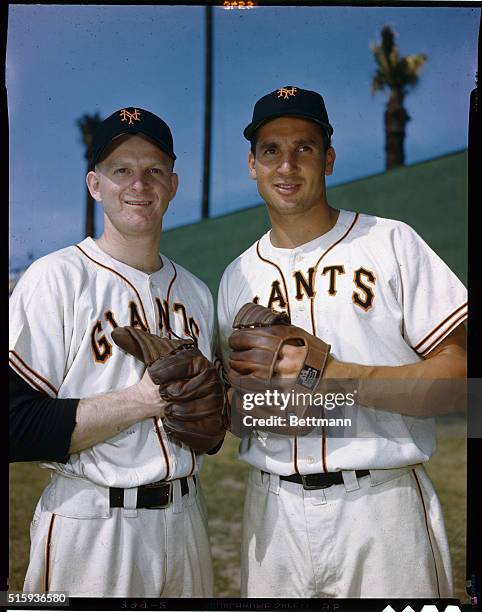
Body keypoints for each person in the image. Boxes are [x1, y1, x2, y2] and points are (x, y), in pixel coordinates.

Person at [217, 86, 467, 598]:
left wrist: (332, 379)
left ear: (328, 159)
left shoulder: (390, 242)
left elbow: (463, 381)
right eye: (271, 150)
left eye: (304, 148)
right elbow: (244, 410)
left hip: (381, 508)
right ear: (252, 165)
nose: (287, 165)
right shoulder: (235, 277)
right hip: (273, 514)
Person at [9, 107, 220, 597]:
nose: (138, 184)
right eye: (120, 169)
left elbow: (205, 427)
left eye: (153, 171)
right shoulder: (56, 278)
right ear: (94, 184)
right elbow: (15, 426)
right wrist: (144, 400)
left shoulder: (196, 292)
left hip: (188, 521)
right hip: (94, 528)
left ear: (173, 184)